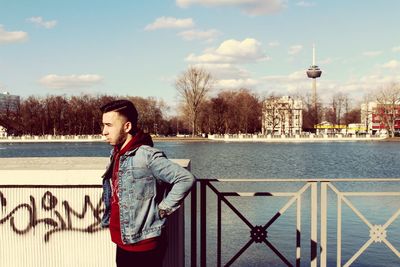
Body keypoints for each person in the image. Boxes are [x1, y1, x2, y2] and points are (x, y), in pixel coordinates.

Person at [100, 99, 195, 267]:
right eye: (103, 125)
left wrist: (162, 210)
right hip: (123, 240)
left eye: (109, 125)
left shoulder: (146, 155)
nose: (104, 132)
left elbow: (185, 179)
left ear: (127, 126)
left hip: (144, 245)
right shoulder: (117, 154)